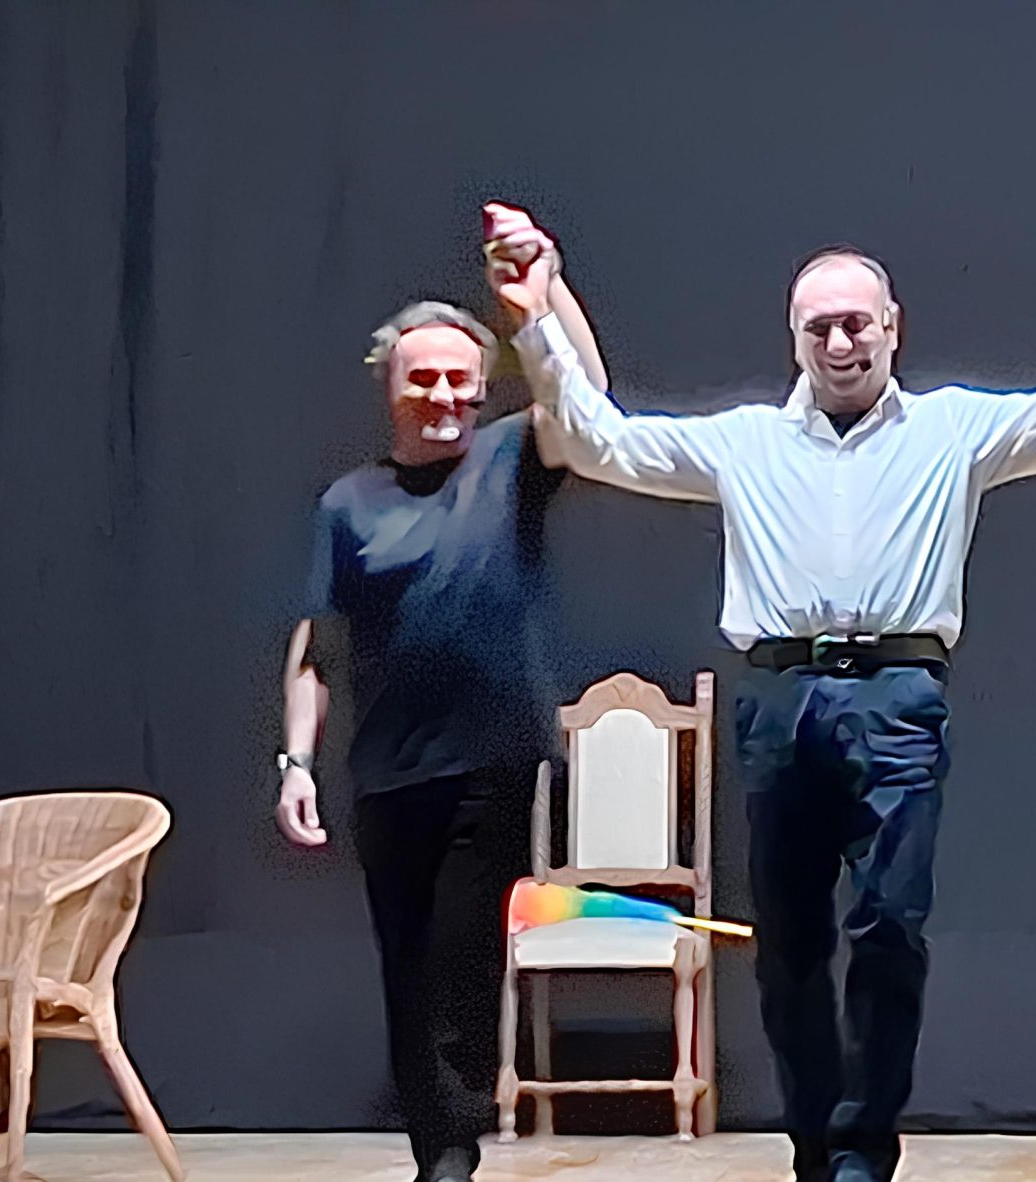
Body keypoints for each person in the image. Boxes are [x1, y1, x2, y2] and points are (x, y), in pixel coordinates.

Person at [487, 204, 1036, 1182]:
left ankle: (862, 1151)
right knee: (789, 948)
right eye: (820, 328)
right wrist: (534, 321)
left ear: (892, 327)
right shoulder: (746, 443)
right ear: (793, 337)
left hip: (896, 697)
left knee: (889, 927)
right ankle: (816, 1149)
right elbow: (602, 444)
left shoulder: (952, 430)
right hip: (778, 699)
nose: (839, 344)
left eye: (856, 324)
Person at [274, 219, 607, 1182]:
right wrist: (296, 763)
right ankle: (435, 1147)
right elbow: (317, 648)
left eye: (462, 379)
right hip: (388, 774)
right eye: (423, 379)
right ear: (391, 386)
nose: (445, 395)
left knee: (464, 960)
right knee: (407, 967)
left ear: (484, 386)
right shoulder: (349, 504)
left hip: (490, 763)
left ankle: (454, 1156)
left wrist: (544, 289)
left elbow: (587, 400)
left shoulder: (512, 459)